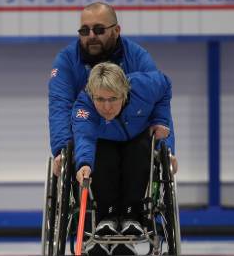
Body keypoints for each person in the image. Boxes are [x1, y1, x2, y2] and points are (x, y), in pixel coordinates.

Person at [48, 2, 162, 177]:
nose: (91, 36)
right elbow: (60, 106)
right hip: (92, 136)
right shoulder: (67, 60)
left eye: (99, 30)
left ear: (116, 31)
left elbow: (158, 104)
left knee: (139, 154)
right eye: (85, 31)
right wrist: (62, 150)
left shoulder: (137, 57)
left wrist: (166, 147)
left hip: (133, 134)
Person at [72, 62, 174, 238]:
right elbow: (84, 137)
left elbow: (166, 85)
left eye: (113, 99)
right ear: (91, 95)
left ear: (124, 93)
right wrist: (84, 164)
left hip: (137, 137)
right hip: (105, 141)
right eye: (100, 99)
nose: (107, 107)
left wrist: (161, 120)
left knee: (140, 151)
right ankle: (107, 216)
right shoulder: (84, 107)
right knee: (101, 155)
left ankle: (132, 215)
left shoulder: (145, 86)